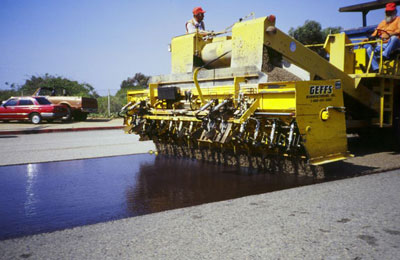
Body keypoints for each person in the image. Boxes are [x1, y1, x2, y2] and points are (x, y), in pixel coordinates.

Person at [366, 2, 400, 72]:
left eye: (390, 12)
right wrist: (369, 38)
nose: (388, 13)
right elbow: (375, 33)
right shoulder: (383, 22)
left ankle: (385, 55)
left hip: (396, 44)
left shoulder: (398, 19)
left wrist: (390, 34)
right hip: (384, 44)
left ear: (395, 12)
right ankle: (376, 68)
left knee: (394, 38)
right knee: (369, 49)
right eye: (387, 12)